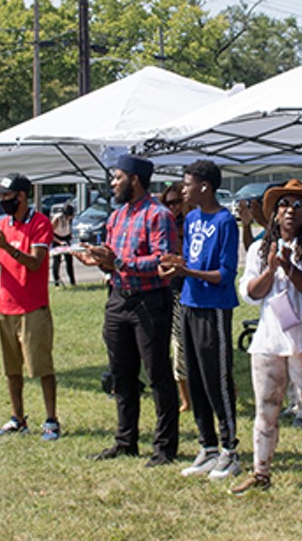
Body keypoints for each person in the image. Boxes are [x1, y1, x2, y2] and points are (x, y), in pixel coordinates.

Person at [231, 179, 302, 493]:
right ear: (273, 214)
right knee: (266, 408)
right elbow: (250, 292)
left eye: (298, 205)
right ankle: (261, 472)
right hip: (267, 342)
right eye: (284, 205)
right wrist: (270, 269)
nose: (290, 211)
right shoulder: (258, 248)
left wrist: (289, 267)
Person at [80, 154, 180, 466]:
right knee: (121, 375)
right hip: (119, 298)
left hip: (149, 302)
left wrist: (120, 263)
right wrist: (99, 260)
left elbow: (164, 260)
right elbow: (113, 259)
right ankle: (126, 441)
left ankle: (165, 448)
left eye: (117, 177)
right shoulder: (117, 216)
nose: (113, 183)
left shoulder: (158, 215)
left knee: (158, 375)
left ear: (134, 180)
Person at [161, 159, 241, 480]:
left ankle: (229, 450)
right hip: (189, 304)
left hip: (214, 307)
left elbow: (224, 274)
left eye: (187, 183)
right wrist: (177, 265)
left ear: (204, 186)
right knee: (193, 377)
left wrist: (187, 271)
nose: (183, 189)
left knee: (215, 378)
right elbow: (193, 260)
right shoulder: (192, 218)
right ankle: (207, 447)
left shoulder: (225, 222)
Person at [0, 173, 60, 441]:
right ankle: (18, 419)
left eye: (7, 196)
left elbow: (35, 263)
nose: (2, 201)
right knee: (11, 368)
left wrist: (8, 247)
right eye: (0, 196)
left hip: (33, 308)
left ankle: (51, 420)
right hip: (5, 307)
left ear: (21, 196)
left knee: (41, 366)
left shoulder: (40, 224)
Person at [160, 183, 193, 413]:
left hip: (192, 289)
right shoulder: (165, 227)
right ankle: (186, 399)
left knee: (194, 345)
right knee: (178, 344)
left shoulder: (191, 224)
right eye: (168, 203)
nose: (173, 207)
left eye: (177, 202)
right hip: (172, 291)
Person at [50, 201, 76, 288]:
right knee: (57, 261)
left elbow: (69, 230)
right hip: (57, 239)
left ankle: (73, 282)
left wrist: (70, 238)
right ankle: (57, 283)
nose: (71, 218)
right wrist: (59, 242)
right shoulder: (57, 219)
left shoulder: (70, 220)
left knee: (69, 261)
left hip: (66, 238)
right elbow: (50, 233)